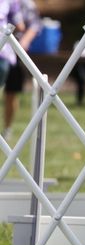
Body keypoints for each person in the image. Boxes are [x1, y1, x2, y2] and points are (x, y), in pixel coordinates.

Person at [2, 0, 40, 141]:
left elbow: (33, 25)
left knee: (11, 93)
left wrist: (24, 42)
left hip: (14, 51)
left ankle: (7, 129)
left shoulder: (26, 4)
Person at [0, 0, 24, 139]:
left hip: (6, 54)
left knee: (11, 94)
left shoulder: (12, 2)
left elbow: (20, 25)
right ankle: (7, 129)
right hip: (6, 55)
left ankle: (7, 129)